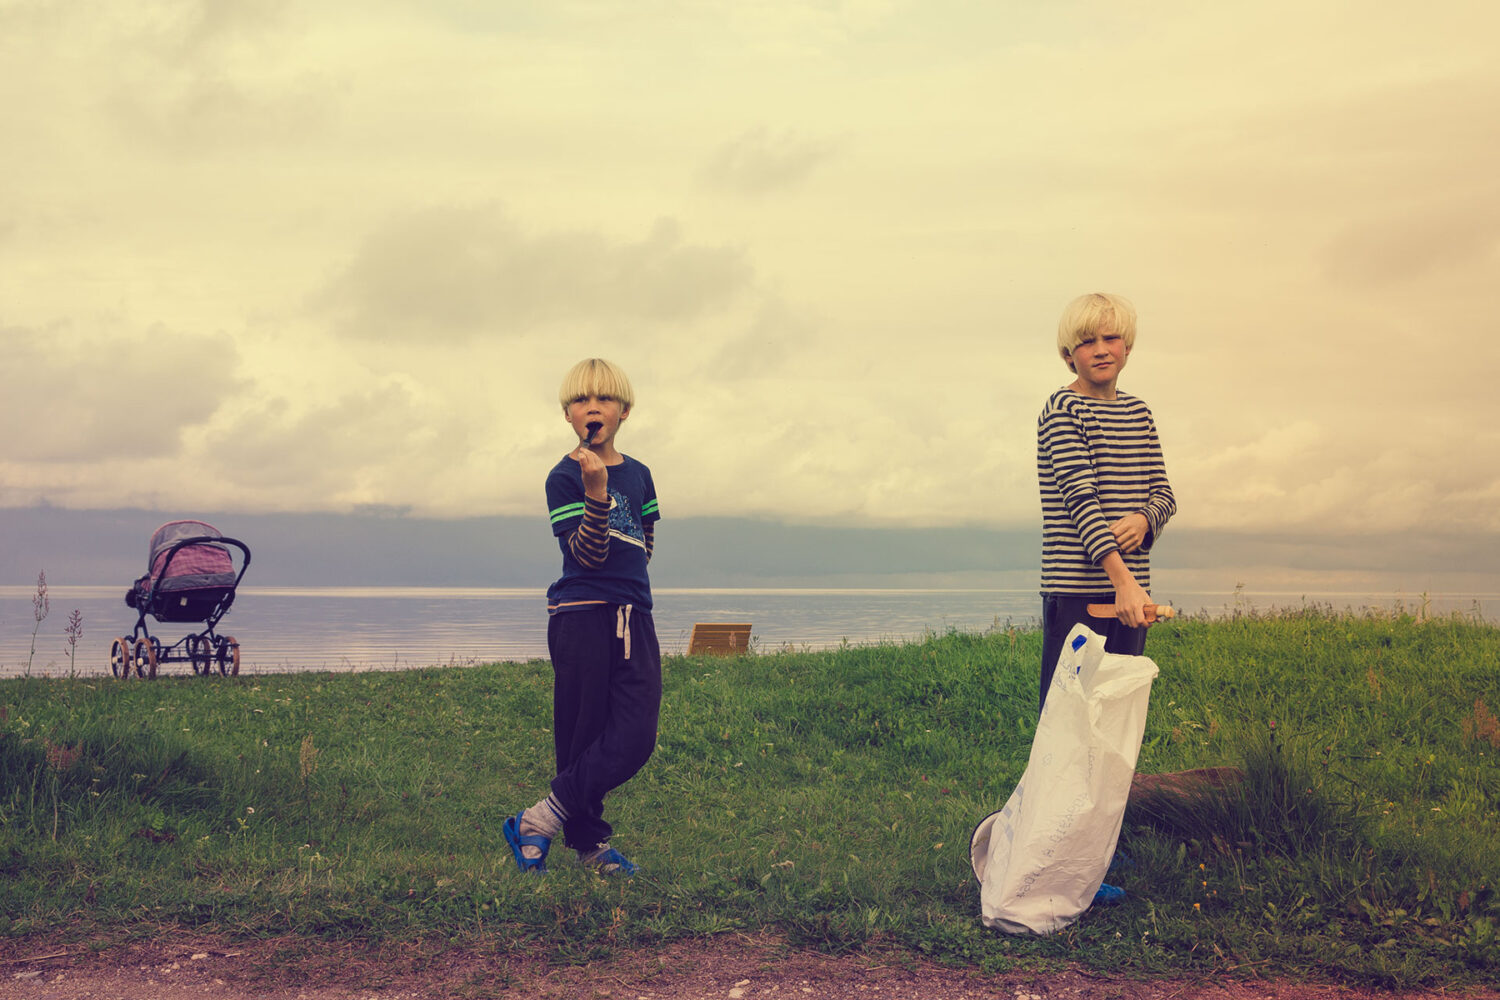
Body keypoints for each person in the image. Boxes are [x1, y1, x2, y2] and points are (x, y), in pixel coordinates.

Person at [503, 358, 661, 876]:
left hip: (634, 614)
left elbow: (644, 542)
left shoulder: (640, 474)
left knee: (636, 736)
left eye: (605, 398)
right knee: (582, 735)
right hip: (582, 616)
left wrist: (630, 592)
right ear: (568, 415)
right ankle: (590, 844)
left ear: (624, 411)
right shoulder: (564, 477)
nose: (592, 407)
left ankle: (538, 819)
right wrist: (596, 494)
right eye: (580, 400)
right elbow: (587, 556)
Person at [1036, 292, 1176, 715]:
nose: (1100, 350)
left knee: (1117, 717)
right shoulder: (1064, 409)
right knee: (1067, 719)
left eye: (1110, 338)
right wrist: (1123, 582)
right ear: (1068, 356)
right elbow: (1082, 503)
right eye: (1086, 342)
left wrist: (1145, 519)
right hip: (1077, 593)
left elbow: (1164, 495)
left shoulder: (1139, 413)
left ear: (1127, 347)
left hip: (1131, 595)